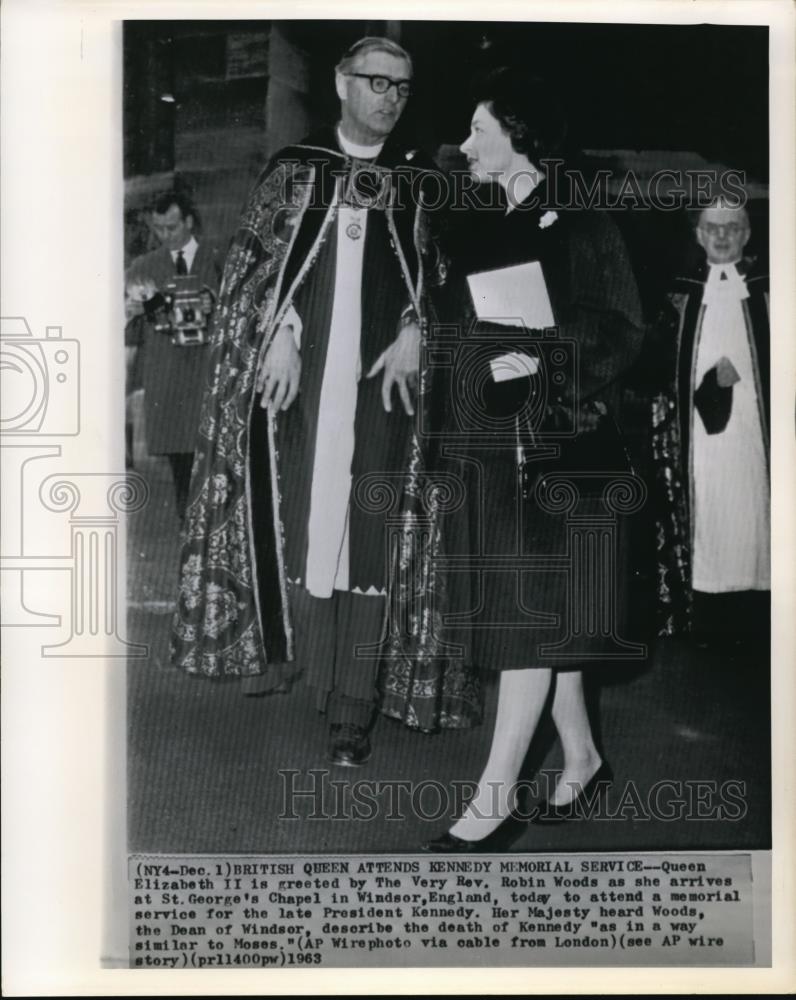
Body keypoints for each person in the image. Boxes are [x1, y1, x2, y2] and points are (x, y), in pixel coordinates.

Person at [170, 37, 445, 767]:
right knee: (292, 515)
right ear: (340, 83)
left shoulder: (416, 184)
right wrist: (281, 331)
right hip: (304, 377)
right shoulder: (294, 171)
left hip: (383, 385)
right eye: (376, 81)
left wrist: (421, 328)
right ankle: (287, 654)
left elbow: (442, 280)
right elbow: (252, 268)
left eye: (401, 87)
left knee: (370, 532)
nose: (389, 96)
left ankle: (352, 705)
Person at [412, 68, 645, 849]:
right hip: (492, 448)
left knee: (528, 620)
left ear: (521, 137)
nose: (466, 145)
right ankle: (580, 755)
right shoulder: (479, 222)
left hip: (561, 451)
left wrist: (543, 363)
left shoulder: (582, 221)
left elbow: (620, 330)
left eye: (480, 130)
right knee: (538, 612)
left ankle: (493, 798)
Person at [652, 200, 769, 642]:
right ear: (698, 235)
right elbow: (660, 367)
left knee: (755, 515)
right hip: (697, 440)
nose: (722, 236)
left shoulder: (770, 291)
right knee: (708, 518)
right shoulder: (679, 295)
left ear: (747, 234)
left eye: (732, 228)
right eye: (712, 228)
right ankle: (707, 620)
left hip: (757, 436)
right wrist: (705, 387)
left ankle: (759, 617)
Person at [125, 191, 222, 520]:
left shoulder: (219, 258)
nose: (166, 236)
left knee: (215, 469)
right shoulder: (143, 267)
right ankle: (190, 551)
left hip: (209, 380)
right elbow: (126, 325)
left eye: (172, 227)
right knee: (183, 477)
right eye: (159, 229)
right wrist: (130, 310)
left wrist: (215, 304)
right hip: (169, 387)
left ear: (189, 221)